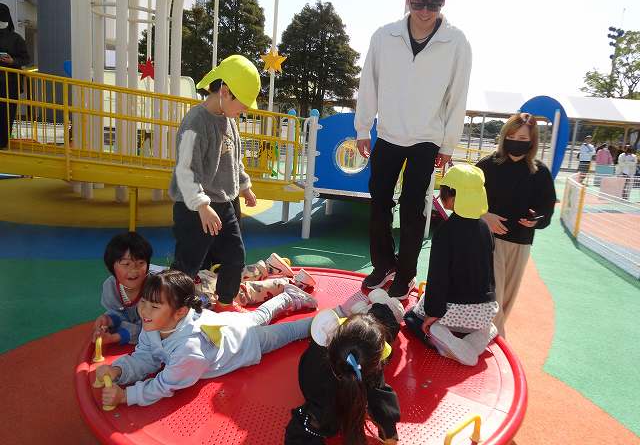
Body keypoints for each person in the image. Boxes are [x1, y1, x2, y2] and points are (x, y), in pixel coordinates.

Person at [354, 0, 472, 299]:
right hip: (388, 134)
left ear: (444, 1)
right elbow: (368, 83)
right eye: (418, 3)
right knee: (379, 201)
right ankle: (383, 264)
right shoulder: (384, 37)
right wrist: (363, 127)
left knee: (413, 208)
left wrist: (448, 143)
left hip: (427, 138)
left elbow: (457, 96)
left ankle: (405, 272)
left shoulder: (457, 42)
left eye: (433, 5)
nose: (424, 12)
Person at [96, 269, 317, 408]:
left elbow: (164, 385)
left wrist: (125, 396)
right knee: (259, 315)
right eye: (143, 302)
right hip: (229, 323)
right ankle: (288, 296)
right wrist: (119, 370)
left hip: (244, 342)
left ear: (180, 312)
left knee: (289, 332)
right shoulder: (153, 324)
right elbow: (145, 356)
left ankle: (327, 322)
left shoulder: (189, 349)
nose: (144, 311)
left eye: (154, 306)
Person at [169, 55, 259, 314]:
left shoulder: (229, 119)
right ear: (225, 92)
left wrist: (244, 186)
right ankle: (170, 307)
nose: (245, 111)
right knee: (188, 263)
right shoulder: (194, 122)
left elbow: (235, 158)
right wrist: (201, 205)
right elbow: (185, 169)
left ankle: (225, 304)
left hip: (223, 203)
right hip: (194, 207)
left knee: (235, 256)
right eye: (243, 105)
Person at [403, 164, 498, 366]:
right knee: (474, 325)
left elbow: (438, 277)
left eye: (445, 192)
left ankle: (438, 335)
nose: (442, 196)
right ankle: (481, 335)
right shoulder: (485, 228)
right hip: (485, 311)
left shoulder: (445, 231)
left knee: (411, 318)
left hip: (454, 312)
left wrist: (433, 312)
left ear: (456, 197)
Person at [476, 113, 556, 336]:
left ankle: (491, 338)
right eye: (511, 137)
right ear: (504, 137)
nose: (516, 142)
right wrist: (485, 215)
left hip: (521, 243)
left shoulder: (540, 172)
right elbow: (462, 197)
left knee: (507, 299)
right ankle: (495, 340)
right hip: (488, 241)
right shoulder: (487, 165)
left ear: (532, 141)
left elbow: (546, 209)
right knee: (492, 298)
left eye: (522, 139)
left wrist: (536, 220)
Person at [285, 295, 402, 445]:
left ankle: (377, 308)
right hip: (333, 389)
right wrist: (390, 434)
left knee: (380, 321)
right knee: (384, 322)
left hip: (346, 354)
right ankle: (379, 307)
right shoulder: (326, 402)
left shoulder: (319, 356)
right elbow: (380, 395)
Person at [93, 232, 162, 346]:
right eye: (126, 264)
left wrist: (116, 337)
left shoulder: (157, 287)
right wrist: (109, 319)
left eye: (140, 263)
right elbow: (118, 312)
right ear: (111, 267)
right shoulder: (110, 286)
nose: (134, 270)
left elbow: (153, 327)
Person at [0, 3, 30, 149]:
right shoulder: (16, 38)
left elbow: (26, 59)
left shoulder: (16, 39)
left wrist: (12, 61)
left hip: (9, 83)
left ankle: (2, 142)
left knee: (7, 113)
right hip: (8, 82)